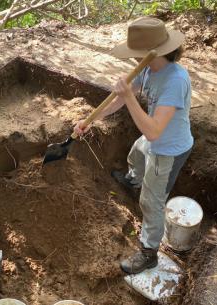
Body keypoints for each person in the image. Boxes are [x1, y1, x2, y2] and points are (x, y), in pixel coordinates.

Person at [74, 17, 193, 274]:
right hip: (155, 142)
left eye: (135, 53)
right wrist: (89, 120)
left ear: (152, 52)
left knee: (151, 201)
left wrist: (129, 96)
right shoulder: (149, 68)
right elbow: (118, 100)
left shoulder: (175, 80)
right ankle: (133, 180)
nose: (133, 58)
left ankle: (149, 252)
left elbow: (152, 132)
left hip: (168, 149)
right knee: (136, 154)